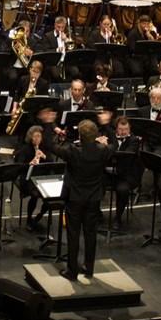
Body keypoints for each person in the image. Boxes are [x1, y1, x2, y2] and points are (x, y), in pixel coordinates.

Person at [38, 114, 114, 279]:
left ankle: (72, 270)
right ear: (95, 135)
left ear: (80, 135)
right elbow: (114, 144)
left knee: (73, 234)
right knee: (90, 233)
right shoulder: (103, 150)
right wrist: (107, 126)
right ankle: (89, 267)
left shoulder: (72, 151)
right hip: (93, 198)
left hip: (74, 198)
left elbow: (48, 144)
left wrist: (49, 123)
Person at [104, 116, 142, 231]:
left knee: (123, 190)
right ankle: (96, 213)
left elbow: (126, 156)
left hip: (125, 175)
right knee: (93, 182)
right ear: (116, 128)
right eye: (121, 129)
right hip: (108, 173)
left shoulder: (134, 140)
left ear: (129, 128)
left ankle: (118, 218)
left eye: (126, 129)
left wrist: (107, 148)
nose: (123, 132)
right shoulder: (109, 137)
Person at [13, 125, 53, 231]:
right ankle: (29, 219)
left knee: (50, 197)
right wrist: (30, 163)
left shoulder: (44, 147)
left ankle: (39, 216)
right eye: (34, 137)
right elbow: (18, 165)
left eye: (38, 136)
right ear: (30, 137)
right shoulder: (25, 149)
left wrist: (44, 156)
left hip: (42, 177)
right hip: (28, 179)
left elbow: (52, 161)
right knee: (35, 195)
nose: (36, 139)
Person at [137, 86, 161, 158]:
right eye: (153, 98)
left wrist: (157, 136)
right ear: (149, 99)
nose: (155, 100)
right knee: (141, 155)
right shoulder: (142, 111)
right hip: (145, 142)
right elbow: (138, 128)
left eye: (158, 98)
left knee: (155, 157)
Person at [38, 16, 79, 83]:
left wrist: (66, 40)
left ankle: (68, 86)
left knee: (75, 72)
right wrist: (57, 50)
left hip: (67, 60)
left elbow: (74, 49)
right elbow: (46, 50)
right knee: (56, 75)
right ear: (54, 25)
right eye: (58, 27)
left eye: (62, 27)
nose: (60, 29)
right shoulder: (48, 36)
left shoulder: (69, 34)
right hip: (54, 61)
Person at [86, 14, 125, 79]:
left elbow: (118, 46)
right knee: (98, 68)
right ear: (100, 24)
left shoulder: (114, 34)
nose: (106, 26)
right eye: (104, 24)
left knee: (119, 68)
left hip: (112, 57)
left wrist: (110, 38)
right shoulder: (95, 34)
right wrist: (105, 39)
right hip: (99, 57)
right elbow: (91, 46)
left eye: (108, 24)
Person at [127, 14, 161, 78]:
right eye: (144, 24)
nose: (146, 26)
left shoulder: (151, 33)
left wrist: (150, 36)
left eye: (147, 24)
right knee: (137, 71)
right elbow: (132, 48)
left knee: (154, 69)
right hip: (134, 57)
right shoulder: (132, 33)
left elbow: (155, 45)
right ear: (139, 23)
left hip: (147, 56)